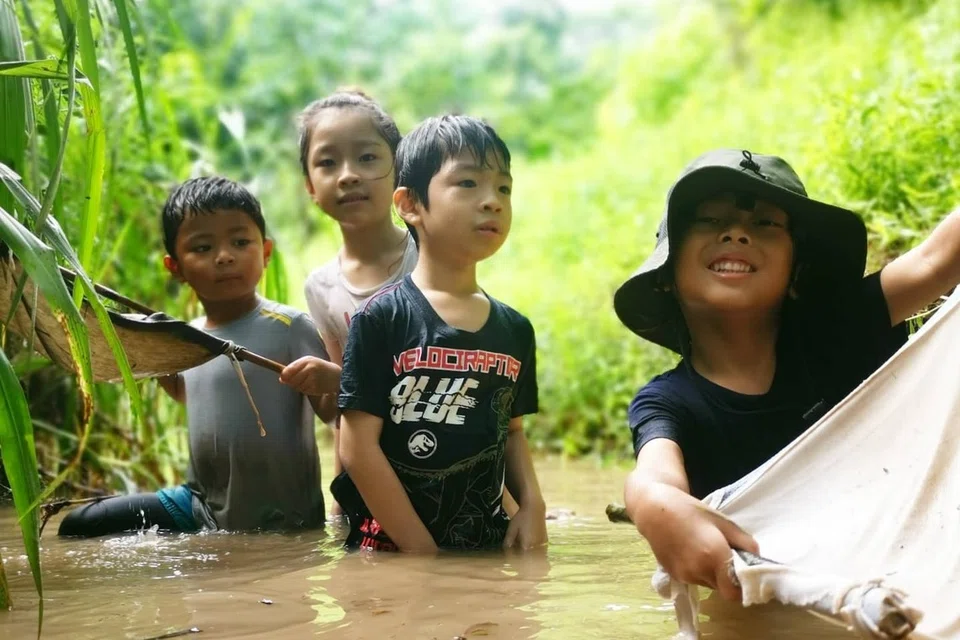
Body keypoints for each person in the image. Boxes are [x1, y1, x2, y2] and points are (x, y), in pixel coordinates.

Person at [614, 149, 960, 601]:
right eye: (709, 220)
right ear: (667, 274)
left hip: (898, 567)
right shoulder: (670, 401)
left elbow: (937, 260)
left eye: (765, 224)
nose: (736, 233)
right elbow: (654, 476)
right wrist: (653, 504)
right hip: (769, 590)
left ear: (797, 271)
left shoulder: (840, 333)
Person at [58, 176, 341, 537]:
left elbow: (331, 413)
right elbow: (190, 393)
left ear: (266, 251)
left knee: (268, 550)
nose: (224, 256)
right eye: (203, 247)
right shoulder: (185, 336)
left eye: (240, 242)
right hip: (196, 505)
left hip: (281, 515)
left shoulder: (289, 326)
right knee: (81, 523)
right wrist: (153, 357)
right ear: (175, 268)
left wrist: (333, 378)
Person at [330, 115, 548, 552]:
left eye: (504, 188)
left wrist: (532, 507)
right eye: (468, 183)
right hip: (390, 552)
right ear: (411, 204)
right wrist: (421, 553)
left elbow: (512, 433)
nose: (493, 201)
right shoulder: (382, 318)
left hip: (484, 545)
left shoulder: (515, 330)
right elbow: (357, 448)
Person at [298, 90, 418, 507]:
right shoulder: (321, 287)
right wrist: (341, 502)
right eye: (328, 163)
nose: (348, 175)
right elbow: (342, 413)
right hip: (375, 472)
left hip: (442, 452)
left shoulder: (429, 255)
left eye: (367, 158)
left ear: (398, 168)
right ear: (310, 186)